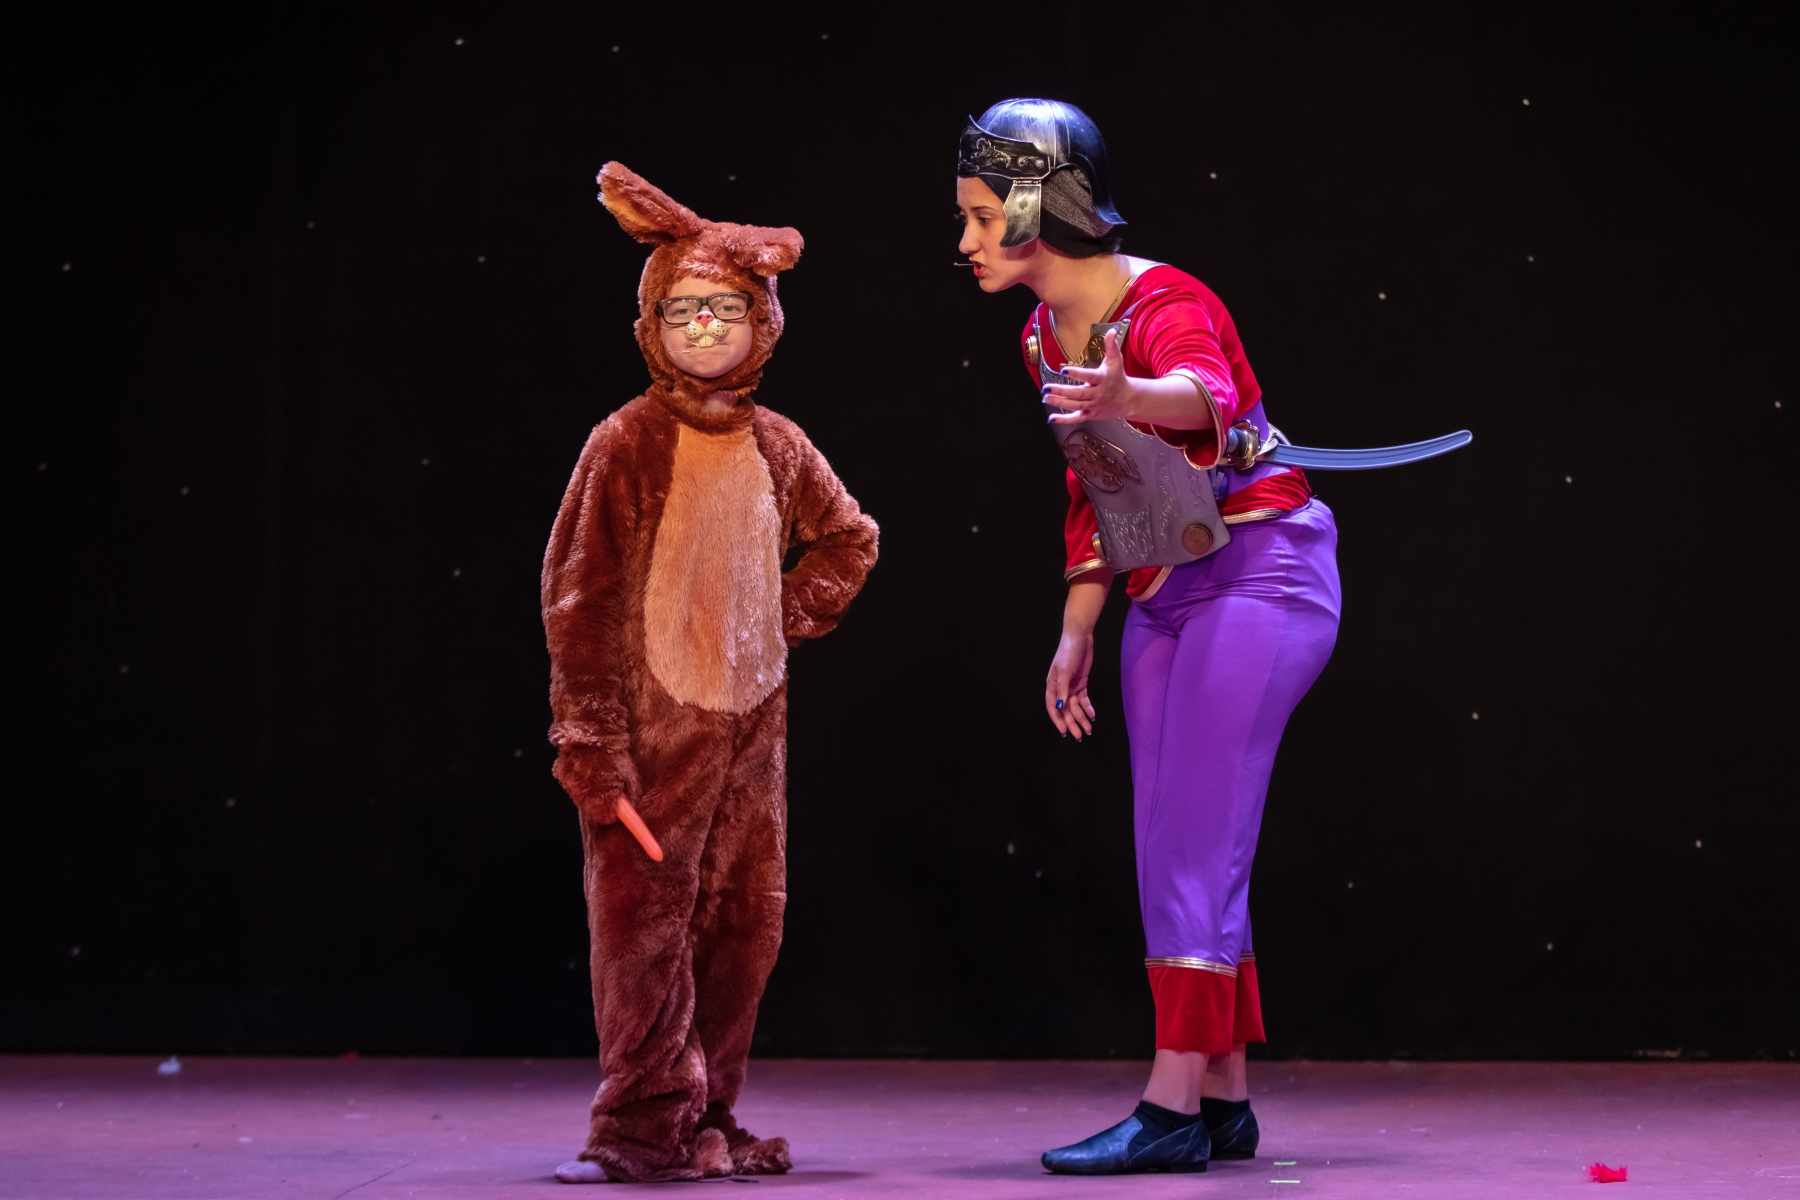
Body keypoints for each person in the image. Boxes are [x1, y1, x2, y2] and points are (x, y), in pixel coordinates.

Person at [956, 99, 1340, 1174]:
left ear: (1038, 208)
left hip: (1261, 574)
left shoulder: (1166, 301)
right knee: (1174, 838)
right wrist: (1077, 626)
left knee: (1196, 836)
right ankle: (1222, 1096)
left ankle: (1169, 1105)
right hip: (1165, 588)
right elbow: (1099, 483)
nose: (966, 241)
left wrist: (1133, 390)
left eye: (982, 216)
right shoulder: (1040, 336)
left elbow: (1203, 394)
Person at [545, 163, 878, 1182]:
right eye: (682, 309)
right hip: (653, 736)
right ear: (650, 323)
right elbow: (579, 599)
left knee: (744, 922)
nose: (702, 327)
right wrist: (591, 742)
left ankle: (708, 1111)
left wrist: (778, 615)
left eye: (725, 309)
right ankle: (639, 1124)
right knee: (643, 927)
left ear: (762, 323)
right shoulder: (625, 443)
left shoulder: (779, 445)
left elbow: (850, 540)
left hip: (749, 737)